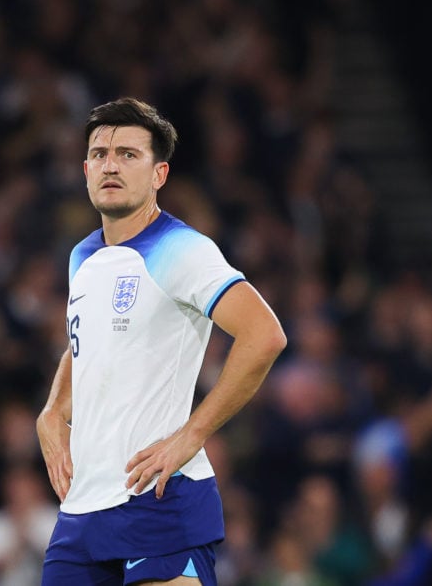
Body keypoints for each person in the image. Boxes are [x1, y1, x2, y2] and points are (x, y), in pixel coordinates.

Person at [36, 98, 287, 585]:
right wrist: (52, 410)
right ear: (86, 170)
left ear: (159, 174)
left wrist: (191, 435)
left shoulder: (184, 249)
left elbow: (264, 335)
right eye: (101, 153)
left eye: (129, 154)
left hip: (159, 500)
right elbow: (86, 340)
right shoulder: (82, 256)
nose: (111, 164)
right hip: (83, 510)